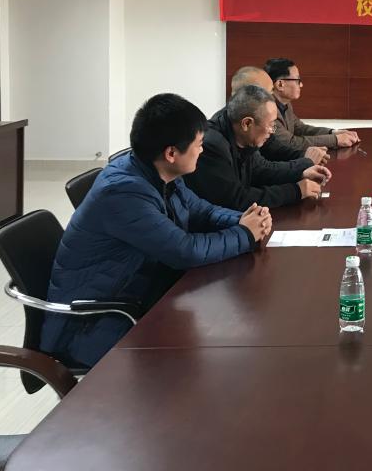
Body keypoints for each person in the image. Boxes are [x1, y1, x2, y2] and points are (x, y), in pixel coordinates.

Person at [41, 94, 272, 367]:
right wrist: (245, 234)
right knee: (212, 359)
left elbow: (200, 210)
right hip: (94, 323)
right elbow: (184, 251)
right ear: (171, 153)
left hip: (142, 292)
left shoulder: (158, 172)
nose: (202, 151)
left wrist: (243, 220)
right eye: (198, 144)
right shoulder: (123, 192)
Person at [185, 85, 330, 210]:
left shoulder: (242, 133)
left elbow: (260, 170)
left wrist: (300, 173)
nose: (272, 131)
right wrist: (296, 191)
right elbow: (236, 199)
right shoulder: (212, 146)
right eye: (271, 125)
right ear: (247, 123)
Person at [230, 65, 327, 166]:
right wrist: (305, 163)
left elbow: (275, 149)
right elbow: (262, 169)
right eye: (268, 93)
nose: (272, 97)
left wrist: (305, 155)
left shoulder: (254, 124)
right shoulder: (220, 145)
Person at [264, 57, 360, 152]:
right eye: (297, 80)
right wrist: (335, 140)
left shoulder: (285, 104)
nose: (301, 85)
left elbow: (301, 129)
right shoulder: (266, 110)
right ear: (280, 84)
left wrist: (333, 132)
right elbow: (290, 143)